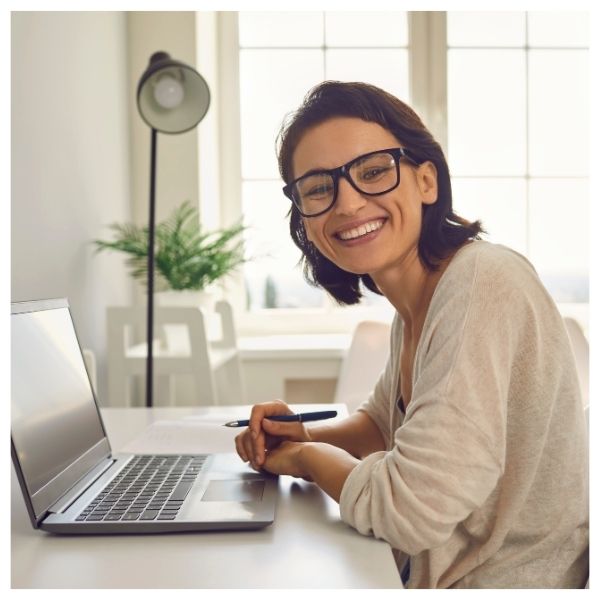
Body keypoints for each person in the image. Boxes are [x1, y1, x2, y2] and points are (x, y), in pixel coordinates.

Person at [234, 81, 589, 588]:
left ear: (426, 181)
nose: (347, 202)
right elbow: (385, 427)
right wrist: (302, 434)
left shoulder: (480, 281)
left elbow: (410, 509)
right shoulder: (417, 305)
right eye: (318, 187)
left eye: (373, 171)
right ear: (304, 218)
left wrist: (307, 459)